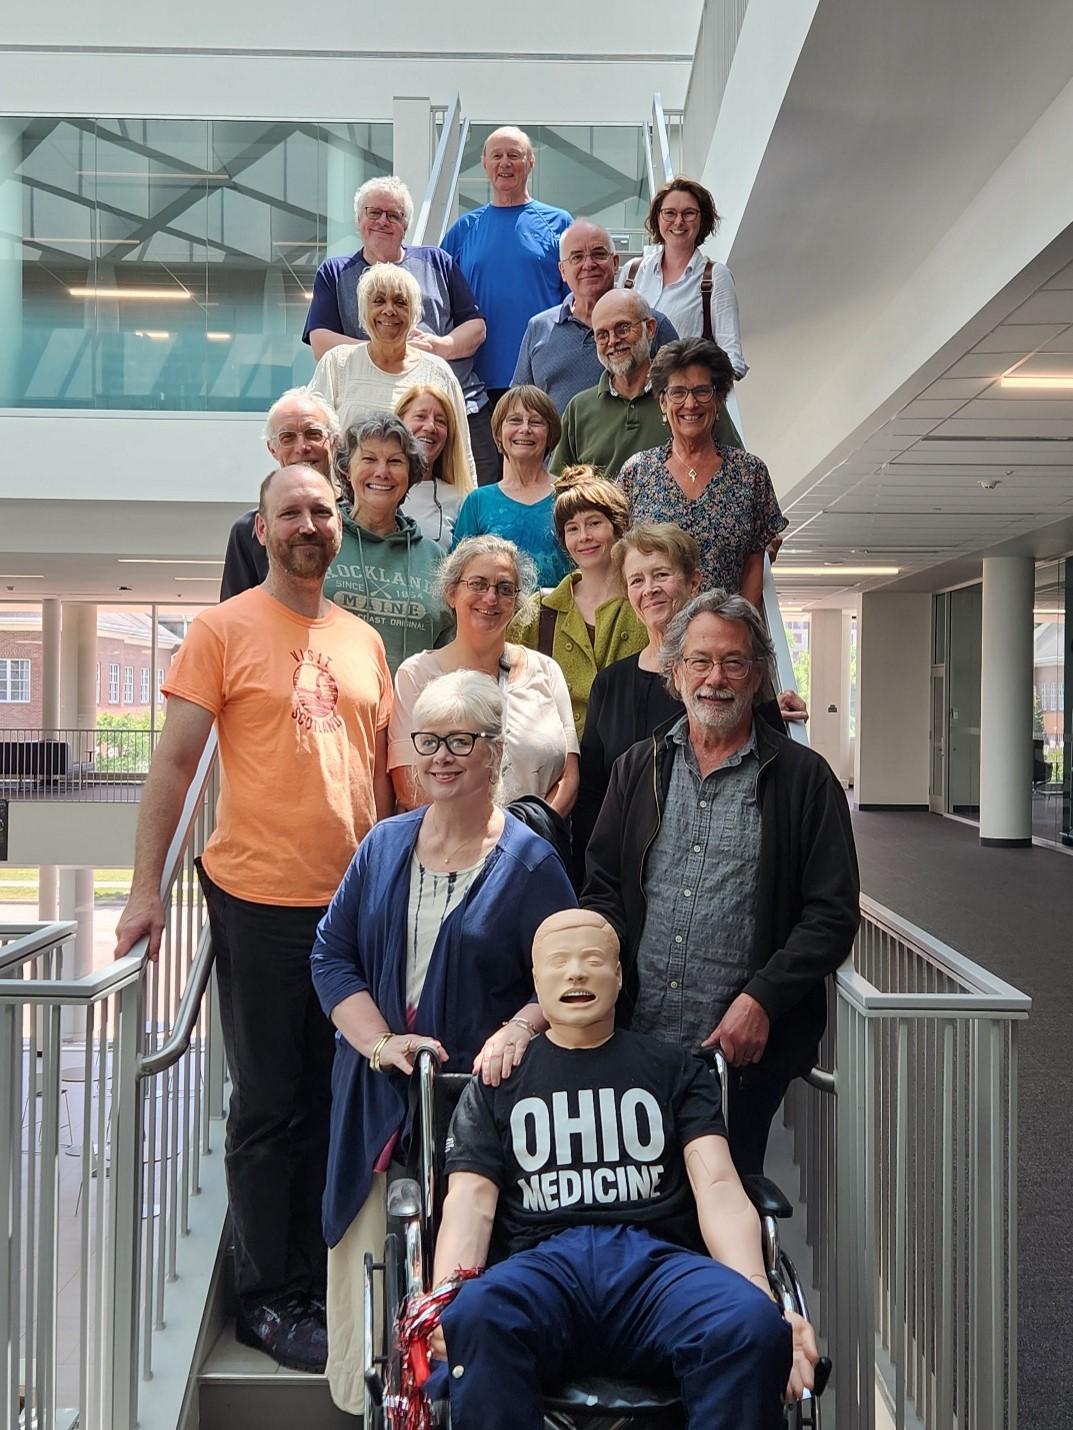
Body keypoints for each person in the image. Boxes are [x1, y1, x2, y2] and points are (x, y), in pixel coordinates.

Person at [114, 464, 393, 1373]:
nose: (308, 523)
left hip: (351, 907)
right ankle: (267, 1301)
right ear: (262, 529)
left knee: (333, 1098)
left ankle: (317, 1278)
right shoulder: (221, 629)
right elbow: (174, 767)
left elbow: (386, 780)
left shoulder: (363, 640)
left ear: (337, 525)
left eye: (322, 510)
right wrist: (144, 889)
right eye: (290, 512)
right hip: (259, 900)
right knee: (269, 1107)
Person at [420, 908, 818, 1429]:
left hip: (655, 1264)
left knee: (750, 1325)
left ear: (619, 974)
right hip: (544, 1265)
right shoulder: (498, 1085)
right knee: (476, 1317)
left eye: (592, 960)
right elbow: (470, 1203)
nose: (577, 973)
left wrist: (763, 1298)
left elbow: (718, 1186)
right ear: (536, 981)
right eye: (559, 962)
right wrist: (445, 1297)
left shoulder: (674, 1069)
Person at [309, 669, 577, 1416]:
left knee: (464, 1286)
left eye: (461, 740)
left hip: (477, 1113)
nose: (442, 756)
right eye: (428, 741)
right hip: (376, 1102)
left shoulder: (530, 863)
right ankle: (373, 1404)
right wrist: (380, 1043)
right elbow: (331, 957)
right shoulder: (383, 845)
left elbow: (562, 980)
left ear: (496, 751)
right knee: (369, 1266)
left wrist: (519, 1030)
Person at [582, 590, 860, 1175]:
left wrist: (762, 999)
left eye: (734, 662)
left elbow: (831, 914)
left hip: (741, 1051)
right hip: (635, 1039)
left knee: (726, 1209)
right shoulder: (637, 768)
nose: (716, 678)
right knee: (637, 1201)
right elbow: (602, 888)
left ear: (758, 674)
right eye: (700, 662)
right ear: (675, 672)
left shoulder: (804, 780)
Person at [302, 176, 498, 486]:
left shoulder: (437, 261)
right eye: (374, 212)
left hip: (456, 413)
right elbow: (321, 341)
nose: (383, 221)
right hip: (379, 418)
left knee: (468, 500)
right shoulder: (335, 272)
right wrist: (386, 349)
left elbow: (475, 328)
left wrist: (439, 347)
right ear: (359, 220)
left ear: (405, 224)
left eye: (393, 215)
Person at [390, 536, 579, 824]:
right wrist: (487, 840)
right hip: (453, 853)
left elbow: (569, 775)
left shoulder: (546, 670)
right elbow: (410, 787)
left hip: (536, 849)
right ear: (451, 592)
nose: (491, 598)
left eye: (505, 589)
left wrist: (526, 837)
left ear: (516, 602)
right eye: (477, 584)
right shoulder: (416, 674)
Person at [616, 338, 787, 603]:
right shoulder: (637, 473)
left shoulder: (750, 473)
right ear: (662, 403)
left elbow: (755, 563)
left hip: (724, 635)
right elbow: (622, 562)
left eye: (702, 391)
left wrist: (741, 625)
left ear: (718, 400)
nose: (690, 403)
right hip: (655, 634)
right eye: (678, 392)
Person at [512, 467, 645, 740]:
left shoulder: (645, 601)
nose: (583, 536)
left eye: (594, 523)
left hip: (633, 766)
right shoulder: (541, 610)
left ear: (619, 527)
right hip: (557, 765)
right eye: (572, 528)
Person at [308, 264, 476, 481]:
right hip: (345, 505)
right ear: (363, 311)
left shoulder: (437, 372)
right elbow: (312, 438)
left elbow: (462, 455)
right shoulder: (337, 363)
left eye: (400, 302)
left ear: (414, 313)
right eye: (378, 301)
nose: (389, 310)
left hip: (419, 506)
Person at [442, 127, 572, 405]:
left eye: (514, 155)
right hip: (476, 382)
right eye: (497, 155)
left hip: (543, 376)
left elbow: (576, 301)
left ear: (530, 162)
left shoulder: (559, 224)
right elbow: (440, 302)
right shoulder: (464, 229)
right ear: (484, 163)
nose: (505, 163)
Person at [551, 289, 739, 477]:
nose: (613, 341)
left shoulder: (690, 401)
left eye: (623, 328)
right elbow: (558, 488)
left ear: (650, 328)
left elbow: (736, 470)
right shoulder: (579, 408)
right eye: (602, 335)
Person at [324, 414, 453, 674]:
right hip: (329, 707)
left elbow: (449, 647)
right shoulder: (321, 543)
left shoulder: (435, 558)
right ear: (347, 471)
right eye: (369, 459)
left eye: (395, 461)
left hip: (413, 709)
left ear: (411, 475)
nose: (382, 472)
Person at [511, 218, 678, 414]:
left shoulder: (651, 324)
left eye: (598, 254)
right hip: (559, 445)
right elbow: (520, 404)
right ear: (563, 271)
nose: (588, 264)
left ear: (615, 263)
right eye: (577, 257)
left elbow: (685, 392)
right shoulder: (539, 327)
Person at [620, 176, 747, 379]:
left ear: (702, 219)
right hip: (636, 399)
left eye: (689, 213)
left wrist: (698, 386)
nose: (678, 221)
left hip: (685, 401)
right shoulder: (632, 273)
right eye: (669, 213)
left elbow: (732, 358)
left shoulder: (715, 277)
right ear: (657, 217)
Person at [219, 388, 339, 599]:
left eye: (314, 434)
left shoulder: (360, 522)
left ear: (334, 441)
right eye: (287, 437)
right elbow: (235, 616)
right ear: (272, 449)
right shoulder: (248, 531)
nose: (302, 447)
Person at [452, 386, 572, 588]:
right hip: (495, 615)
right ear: (498, 433)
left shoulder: (569, 494)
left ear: (550, 434)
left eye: (536, 422)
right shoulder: (478, 502)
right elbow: (458, 577)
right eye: (514, 420)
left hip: (562, 616)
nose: (525, 429)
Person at [395, 385, 473, 549]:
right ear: (398, 423)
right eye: (421, 416)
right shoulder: (377, 486)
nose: (430, 427)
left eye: (440, 421)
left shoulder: (460, 499)